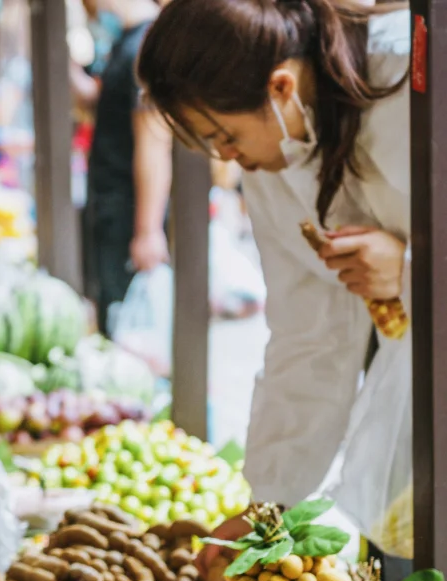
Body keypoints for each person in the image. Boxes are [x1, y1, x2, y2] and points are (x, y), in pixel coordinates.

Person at [137, 0, 409, 512]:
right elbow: (308, 334)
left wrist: (413, 271)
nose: (228, 158)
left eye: (225, 136)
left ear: (281, 86)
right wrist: (269, 501)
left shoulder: (409, 79)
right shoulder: (274, 159)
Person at [82, 0, 173, 334]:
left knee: (128, 326)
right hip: (114, 209)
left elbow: (154, 142)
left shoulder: (145, 47)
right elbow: (99, 105)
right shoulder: (128, 42)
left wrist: (147, 230)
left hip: (128, 214)